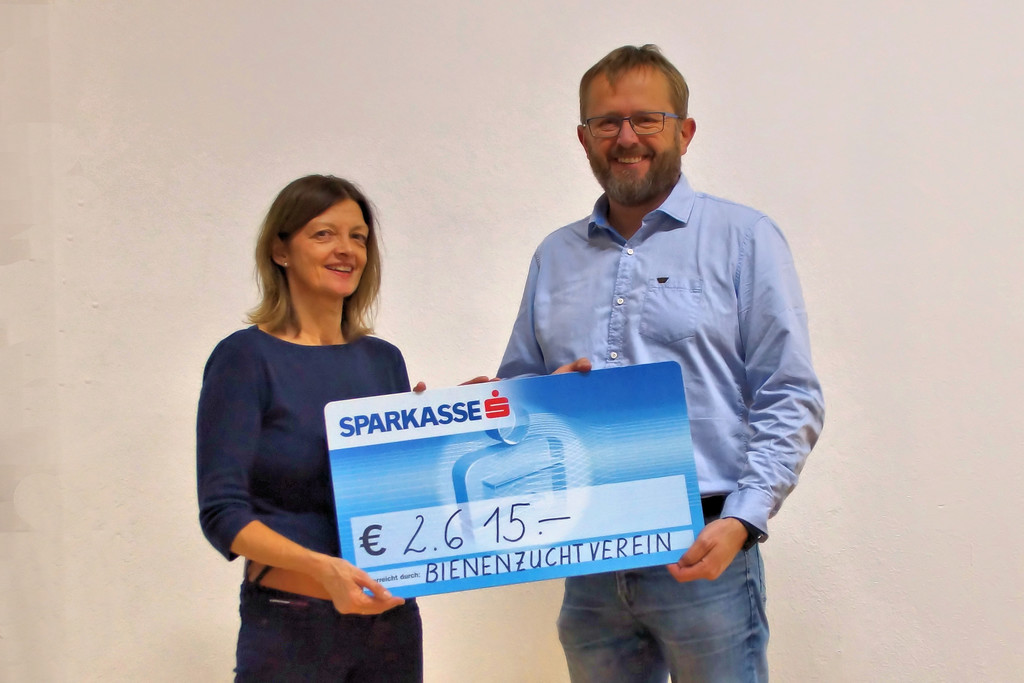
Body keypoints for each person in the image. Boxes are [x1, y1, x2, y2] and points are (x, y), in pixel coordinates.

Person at [498, 45, 825, 682]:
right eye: (606, 123)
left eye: (646, 119)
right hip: (587, 555)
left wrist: (744, 519)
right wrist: (472, 413)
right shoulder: (554, 256)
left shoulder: (743, 239)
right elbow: (522, 385)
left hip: (703, 546)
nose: (626, 138)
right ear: (584, 139)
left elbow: (789, 392)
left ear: (685, 131)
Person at [197, 175, 423, 682]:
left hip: (391, 624)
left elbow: (402, 498)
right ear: (280, 250)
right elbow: (222, 514)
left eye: (358, 237)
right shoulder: (245, 359)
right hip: (290, 624)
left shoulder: (384, 361)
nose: (346, 250)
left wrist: (471, 418)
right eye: (324, 234)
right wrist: (323, 568)